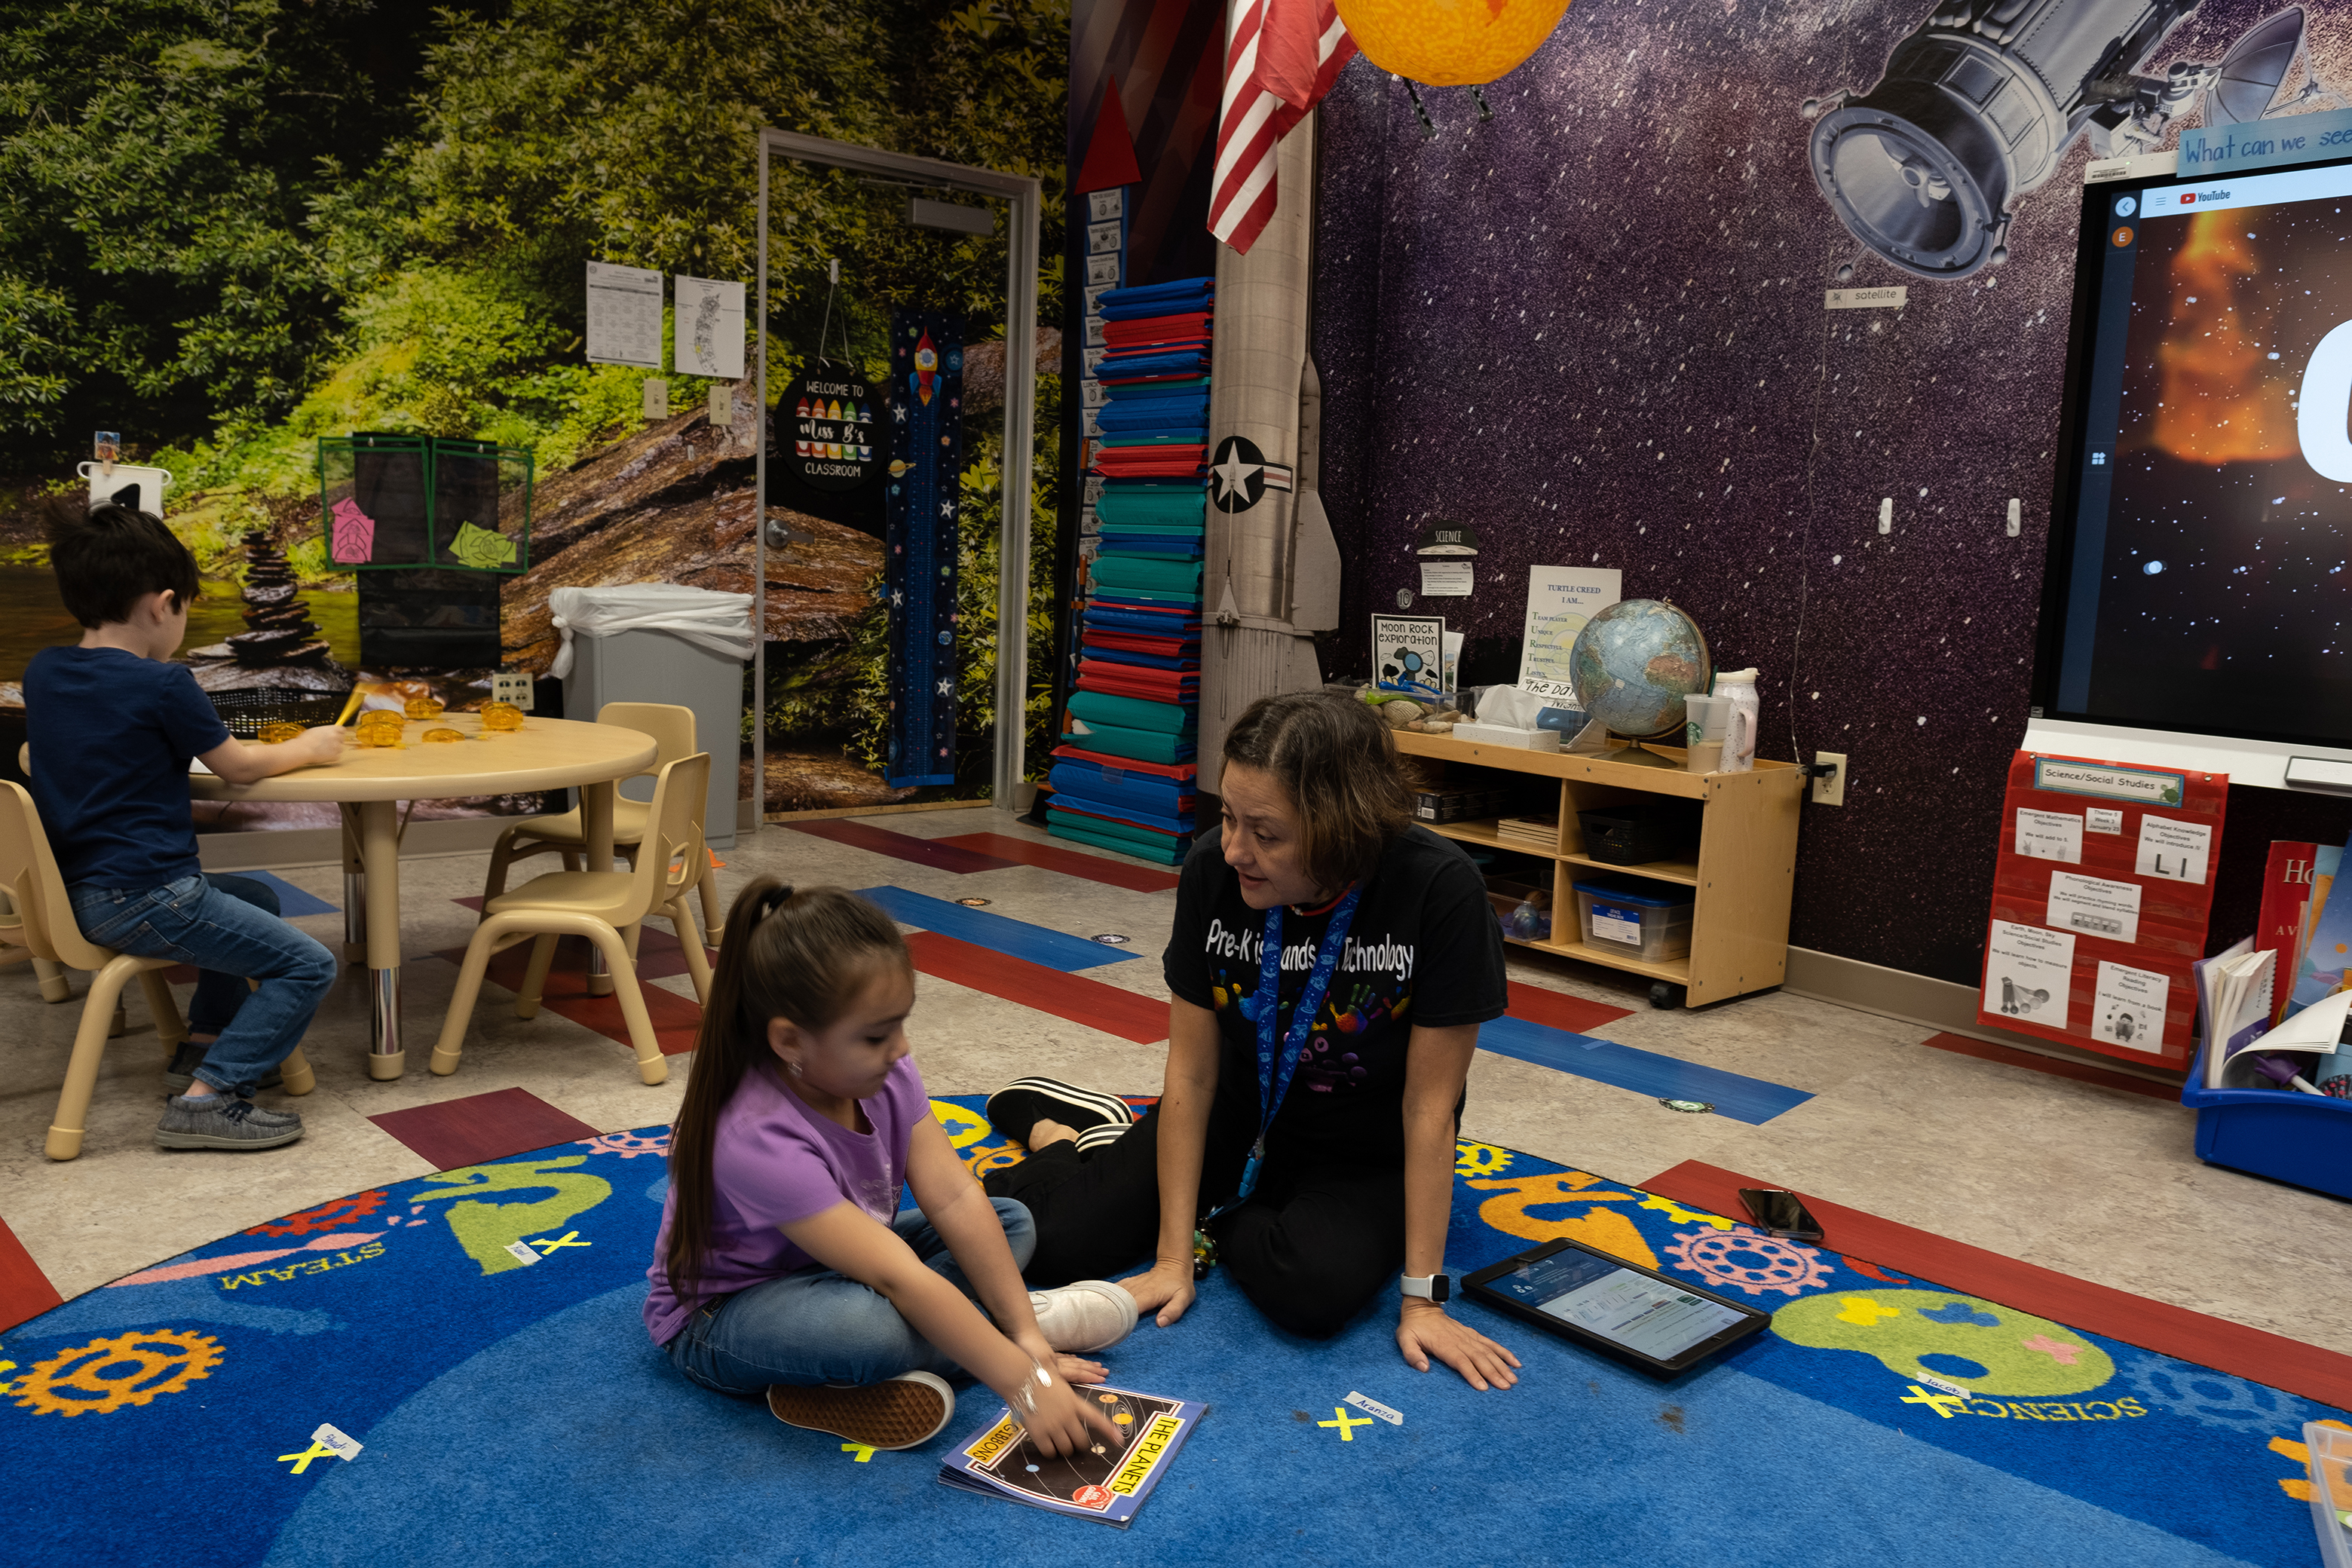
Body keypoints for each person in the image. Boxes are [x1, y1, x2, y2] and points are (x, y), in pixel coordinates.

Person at [982, 691, 1523, 1390]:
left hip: (1364, 1151)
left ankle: (1183, 1187)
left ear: (1341, 828)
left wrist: (1422, 1299)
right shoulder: (1214, 868)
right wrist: (1172, 1259)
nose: (1235, 850)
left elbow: (1430, 1110)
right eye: (1229, 817)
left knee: (1313, 1294)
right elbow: (1193, 1078)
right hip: (1233, 1118)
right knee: (1046, 1246)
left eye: (1266, 834)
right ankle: (1065, 1135)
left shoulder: (1438, 891)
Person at [647, 880, 1137, 1455]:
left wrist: (1026, 1337)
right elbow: (895, 1278)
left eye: (900, 1024)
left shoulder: (882, 1071)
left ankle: (995, 1328)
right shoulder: (752, 1133)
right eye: (877, 1035)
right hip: (724, 1316)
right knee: (869, 1331)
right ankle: (980, 1332)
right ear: (789, 1041)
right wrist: (1024, 1379)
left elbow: (954, 1197)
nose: (901, 1049)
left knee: (1010, 1220)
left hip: (843, 1270)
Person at [25, 501, 345, 1152]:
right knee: (310, 965)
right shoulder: (165, 684)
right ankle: (211, 1096)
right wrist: (313, 747)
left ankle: (199, 1047)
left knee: (253, 896)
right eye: (187, 609)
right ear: (162, 604)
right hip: (146, 893)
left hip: (82, 893)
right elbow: (240, 767)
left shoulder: (46, 673)